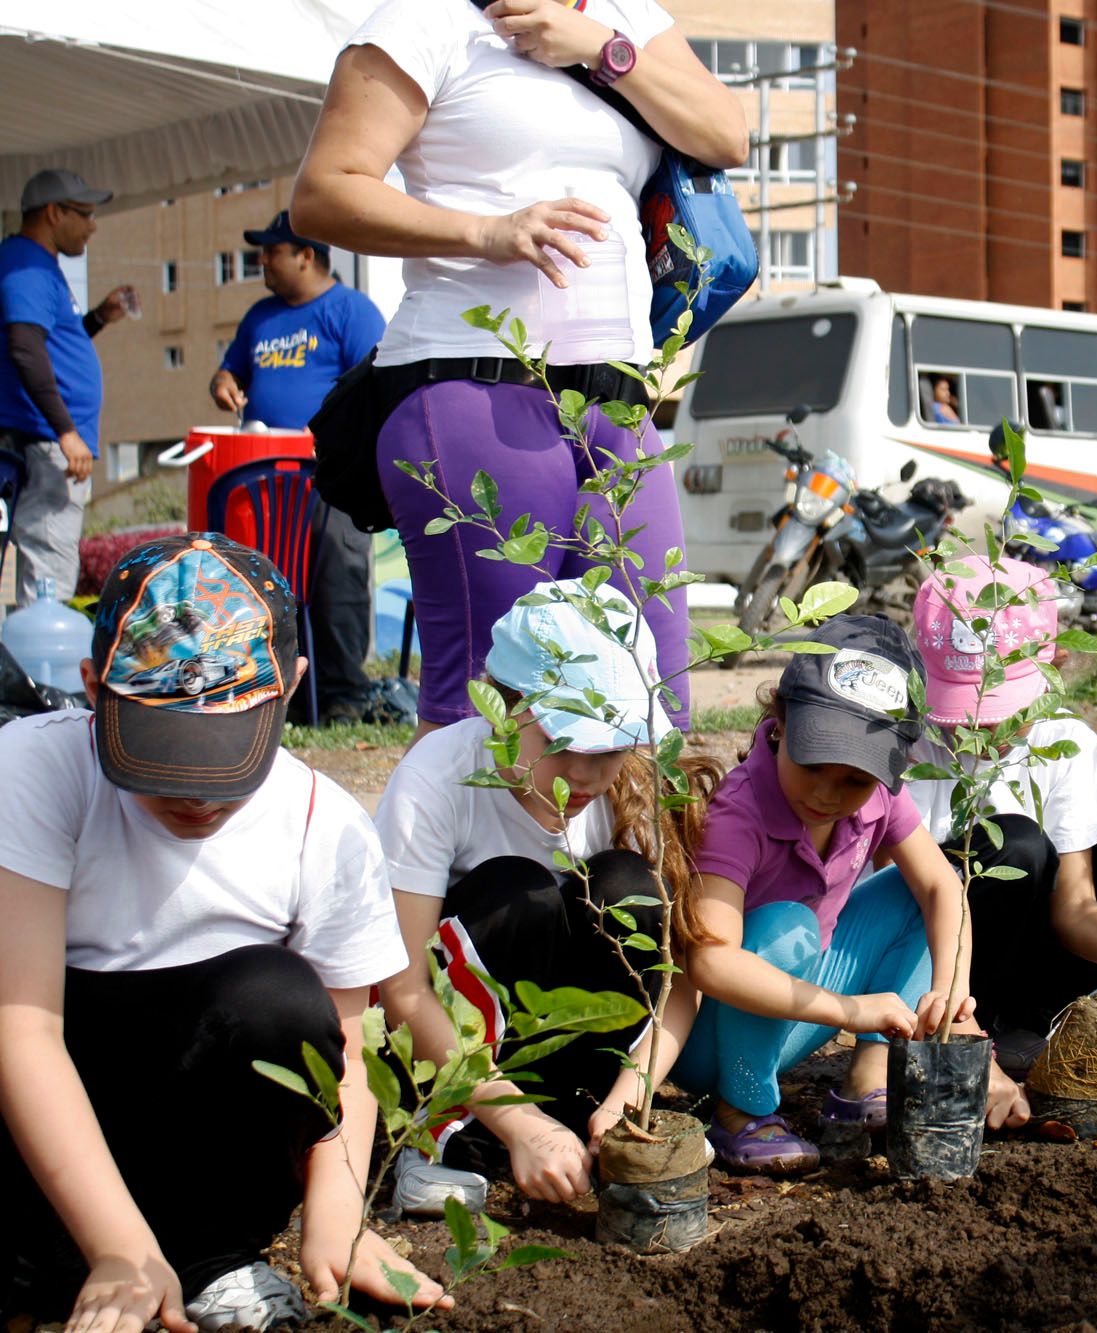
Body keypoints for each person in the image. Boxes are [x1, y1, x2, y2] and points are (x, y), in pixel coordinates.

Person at [0, 533, 445, 1333]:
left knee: (279, 1001)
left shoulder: (324, 826)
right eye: (160, 756)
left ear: (292, 689)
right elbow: (23, 1029)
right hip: (55, 1099)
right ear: (92, 687)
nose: (195, 797)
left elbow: (339, 1062)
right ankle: (100, 1255)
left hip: (196, 1124)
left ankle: (203, 1254)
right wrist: (118, 1247)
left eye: (222, 759)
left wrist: (337, 1224)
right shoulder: (35, 772)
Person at [291, 0, 747, 735]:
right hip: (473, 384)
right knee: (497, 700)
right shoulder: (427, 21)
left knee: (652, 698)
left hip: (619, 400)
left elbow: (727, 134)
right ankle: (474, 856)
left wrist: (603, 46)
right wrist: (485, 231)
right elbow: (322, 193)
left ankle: (630, 856)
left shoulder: (622, 16)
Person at [373, 579, 713, 1215]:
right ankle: (448, 1138)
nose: (586, 775)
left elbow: (680, 980)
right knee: (517, 891)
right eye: (562, 745)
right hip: (454, 1058)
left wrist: (627, 1096)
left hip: (572, 1064)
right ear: (501, 710)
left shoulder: (630, 796)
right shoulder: (436, 780)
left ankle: (576, 1120)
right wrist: (516, 1122)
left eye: (610, 747)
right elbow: (402, 989)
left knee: (626, 891)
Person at [680, 614, 1030, 1175]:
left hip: (795, 1008)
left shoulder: (878, 800)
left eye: (855, 780)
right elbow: (711, 960)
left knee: (916, 890)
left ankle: (868, 1077)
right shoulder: (740, 811)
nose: (826, 793)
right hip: (712, 1044)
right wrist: (850, 1010)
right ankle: (741, 1110)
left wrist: (951, 992)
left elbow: (941, 887)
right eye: (814, 765)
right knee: (789, 926)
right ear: (780, 721)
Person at [905, 556, 1097, 1073]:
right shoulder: (916, 748)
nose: (981, 729)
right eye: (966, 708)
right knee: (1016, 841)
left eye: (1001, 711)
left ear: (1051, 666)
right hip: (938, 961)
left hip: (1033, 946)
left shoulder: (1064, 744)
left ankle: (1031, 1016)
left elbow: (1074, 905)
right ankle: (974, 1020)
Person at [210, 210, 388, 721]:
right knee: (257, 584)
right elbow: (229, 371)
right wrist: (222, 383)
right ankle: (264, 691)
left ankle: (342, 698)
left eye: (272, 251)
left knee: (337, 581)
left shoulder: (351, 311)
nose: (262, 259)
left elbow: (370, 388)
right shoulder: (259, 317)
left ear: (306, 255)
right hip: (262, 475)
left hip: (328, 475)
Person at [0, 169, 137, 605]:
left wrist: (98, 317)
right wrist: (65, 430)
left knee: (48, 564)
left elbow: (50, 344)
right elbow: (24, 347)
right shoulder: (26, 263)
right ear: (54, 213)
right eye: (85, 214)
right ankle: (43, 672)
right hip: (43, 440)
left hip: (46, 436)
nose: (93, 225)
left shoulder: (39, 267)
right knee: (48, 570)